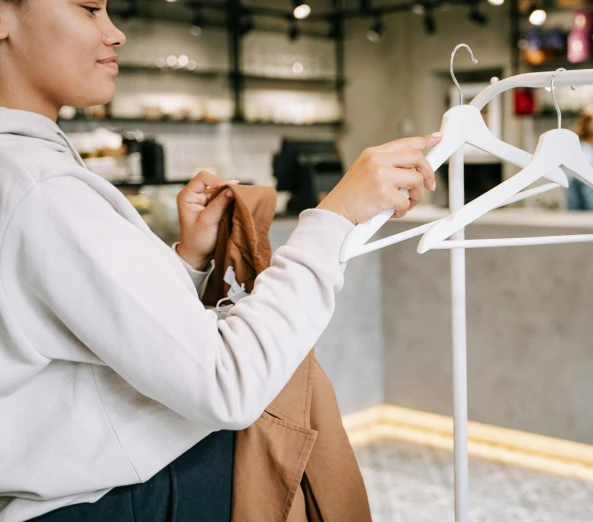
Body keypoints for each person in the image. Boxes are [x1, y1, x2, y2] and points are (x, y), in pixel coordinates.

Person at [0, 1, 442, 520]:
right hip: (115, 504)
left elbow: (71, 335)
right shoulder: (41, 185)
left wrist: (187, 260)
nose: (115, 33)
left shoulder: (28, 172)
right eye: (89, 8)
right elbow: (227, 384)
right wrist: (333, 219)